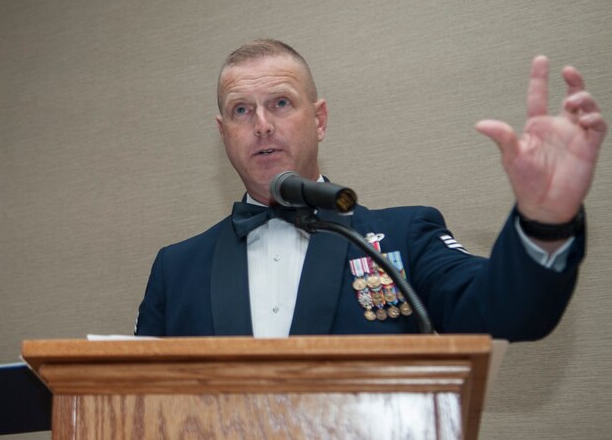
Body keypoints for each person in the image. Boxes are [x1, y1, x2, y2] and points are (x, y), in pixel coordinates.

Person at [135, 39, 604, 341]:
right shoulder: (176, 268)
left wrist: (545, 221)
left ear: (319, 120)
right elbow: (133, 405)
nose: (262, 126)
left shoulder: (403, 235)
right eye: (241, 110)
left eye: (281, 103)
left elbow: (506, 315)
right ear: (223, 133)